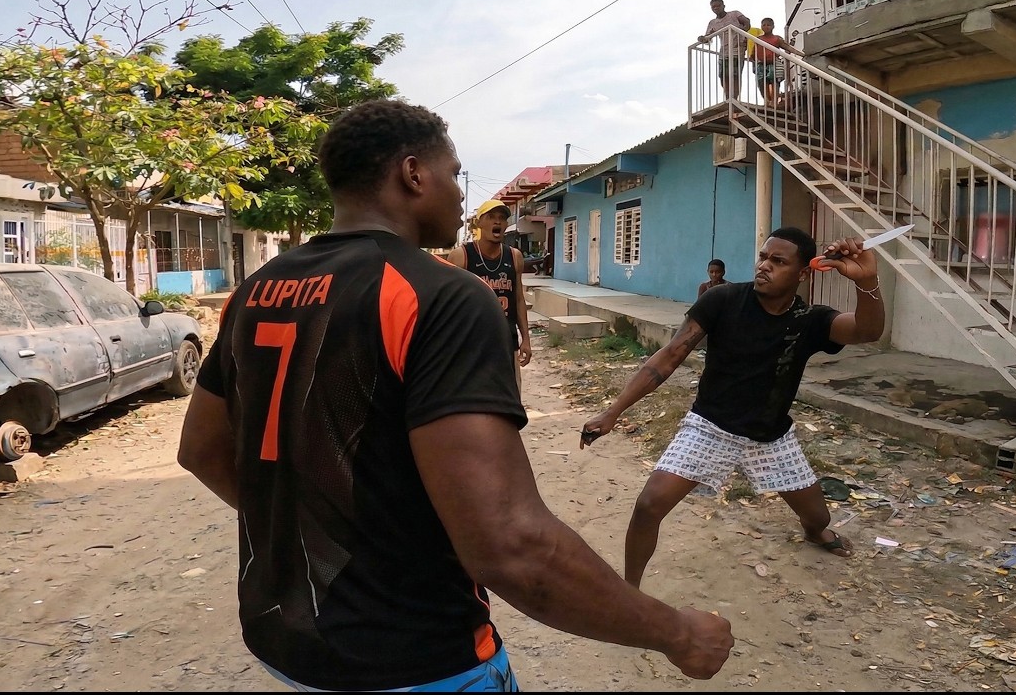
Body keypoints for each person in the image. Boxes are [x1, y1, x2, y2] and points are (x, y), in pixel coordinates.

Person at [176, 99, 733, 692]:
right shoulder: (439, 295)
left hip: (283, 645)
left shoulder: (255, 291)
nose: (464, 196)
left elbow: (202, 448)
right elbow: (511, 545)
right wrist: (677, 632)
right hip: (413, 658)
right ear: (413, 175)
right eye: (454, 173)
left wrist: (316, 530)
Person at [580, 226, 885, 589]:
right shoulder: (722, 300)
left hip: (772, 438)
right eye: (763, 257)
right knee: (649, 506)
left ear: (803, 273)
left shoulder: (811, 321)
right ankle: (629, 593)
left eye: (778, 261)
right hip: (710, 428)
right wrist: (612, 412)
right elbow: (670, 356)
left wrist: (867, 280)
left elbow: (867, 331)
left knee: (819, 517)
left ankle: (813, 533)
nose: (764, 266)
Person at [447, 199, 532, 391]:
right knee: (472, 396)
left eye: (502, 218)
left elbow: (518, 299)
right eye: (491, 217)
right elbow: (450, 304)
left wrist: (525, 339)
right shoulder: (461, 256)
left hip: (506, 340)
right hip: (471, 342)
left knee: (510, 396)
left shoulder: (514, 256)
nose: (497, 222)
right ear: (479, 223)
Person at [697, 0, 750, 102]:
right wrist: (702, 39)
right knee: (723, 76)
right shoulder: (713, 22)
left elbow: (747, 22)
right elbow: (708, 37)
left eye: (718, 6)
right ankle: (728, 98)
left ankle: (734, 99)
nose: (716, 8)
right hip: (724, 50)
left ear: (723, 6)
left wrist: (742, 32)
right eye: (713, 7)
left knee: (734, 75)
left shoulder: (734, 14)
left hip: (737, 48)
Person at [751, 17, 804, 109]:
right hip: (761, 63)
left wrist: (801, 54)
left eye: (768, 25)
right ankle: (767, 100)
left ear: (773, 26)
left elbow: (787, 47)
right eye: (764, 25)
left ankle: (774, 102)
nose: (766, 27)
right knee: (762, 82)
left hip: (773, 63)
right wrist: (754, 60)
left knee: (775, 82)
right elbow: (754, 52)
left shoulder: (777, 39)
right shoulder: (758, 39)